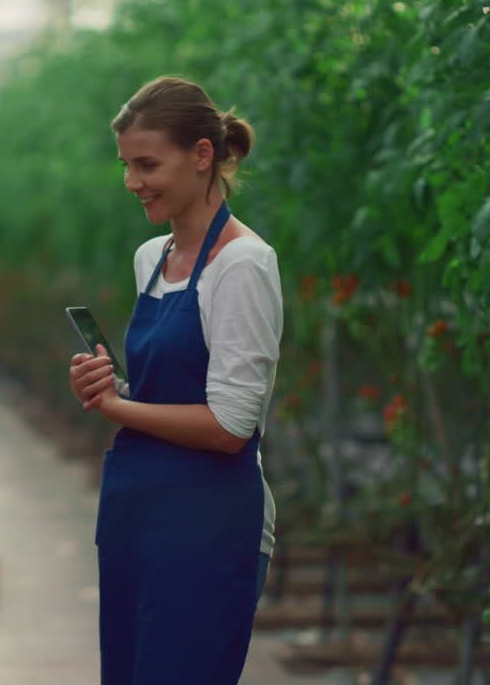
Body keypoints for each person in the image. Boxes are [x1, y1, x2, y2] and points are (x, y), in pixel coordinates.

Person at [68, 76, 283, 684]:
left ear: (202, 155)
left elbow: (231, 426)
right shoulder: (152, 257)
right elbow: (166, 397)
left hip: (207, 528)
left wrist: (117, 407)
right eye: (126, 166)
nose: (132, 182)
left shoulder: (242, 264)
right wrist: (109, 385)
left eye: (147, 164)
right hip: (139, 514)